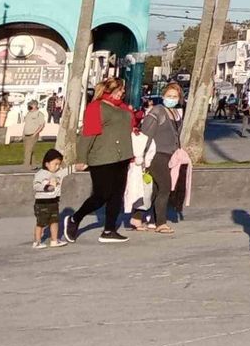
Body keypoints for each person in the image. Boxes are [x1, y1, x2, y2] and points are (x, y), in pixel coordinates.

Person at [66, 77, 134, 243]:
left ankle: (109, 230)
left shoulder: (123, 108)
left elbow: (130, 124)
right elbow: (87, 134)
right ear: (108, 90)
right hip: (102, 157)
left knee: (117, 195)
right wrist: (81, 158)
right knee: (101, 195)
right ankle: (75, 218)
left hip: (122, 156)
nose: (122, 93)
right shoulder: (96, 107)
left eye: (122, 91)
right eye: (118, 90)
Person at [137, 82, 183, 231]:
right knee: (165, 187)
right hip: (156, 155)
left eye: (175, 96)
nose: (172, 98)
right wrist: (142, 155)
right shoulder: (158, 111)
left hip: (170, 156)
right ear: (163, 96)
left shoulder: (176, 114)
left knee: (155, 189)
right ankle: (161, 223)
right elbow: (146, 133)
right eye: (169, 96)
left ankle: (138, 216)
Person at [32, 148, 67, 249]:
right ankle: (37, 241)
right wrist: (46, 187)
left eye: (59, 164)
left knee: (54, 221)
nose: (57, 167)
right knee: (41, 223)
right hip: (42, 203)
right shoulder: (40, 174)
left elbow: (66, 171)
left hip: (54, 202)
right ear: (47, 164)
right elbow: (36, 186)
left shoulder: (58, 173)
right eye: (55, 164)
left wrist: (76, 167)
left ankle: (54, 240)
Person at [20, 100, 48, 168]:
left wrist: (35, 134)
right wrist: (23, 134)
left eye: (30, 105)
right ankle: (33, 165)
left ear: (35, 106)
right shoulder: (28, 113)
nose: (29, 106)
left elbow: (41, 125)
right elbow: (26, 124)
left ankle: (26, 165)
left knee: (28, 151)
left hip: (33, 134)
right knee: (30, 150)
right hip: (26, 134)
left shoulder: (39, 114)